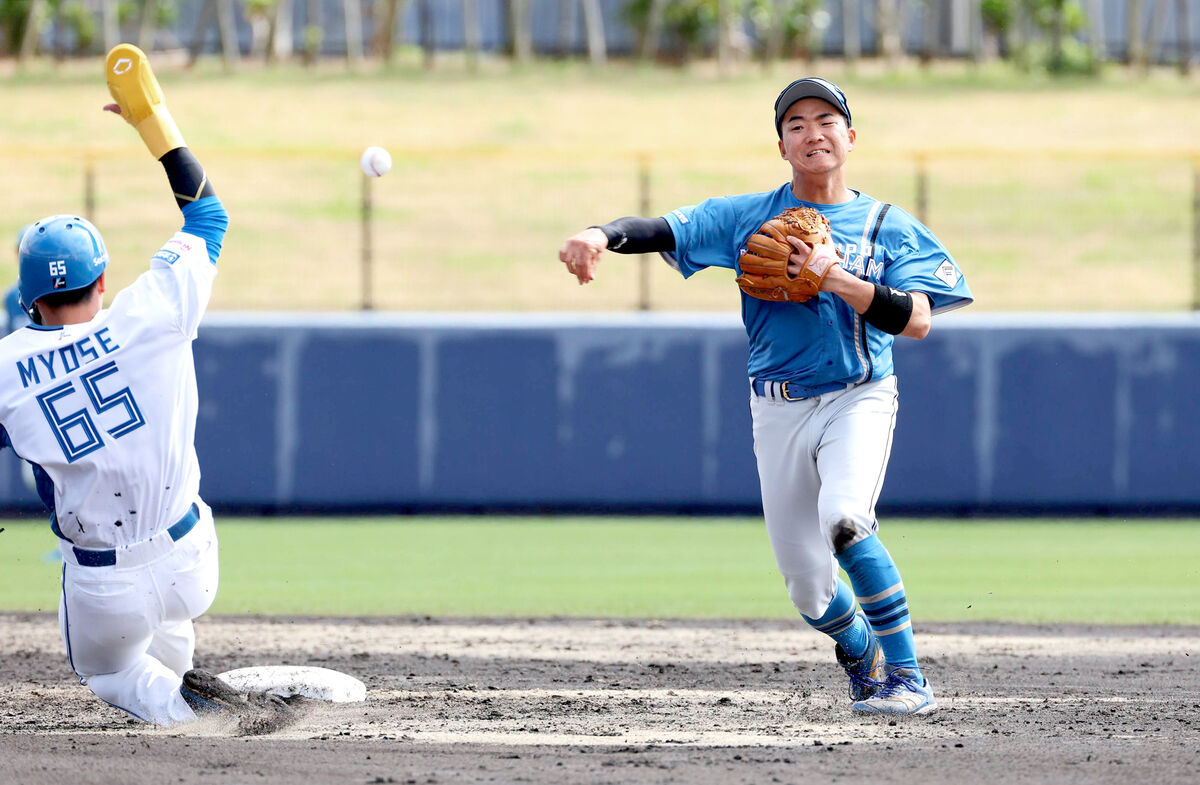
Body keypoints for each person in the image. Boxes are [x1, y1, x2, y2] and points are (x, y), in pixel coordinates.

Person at [558, 77, 973, 716]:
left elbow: (917, 319)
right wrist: (598, 234)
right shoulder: (748, 216)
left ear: (851, 137)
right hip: (775, 408)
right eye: (797, 124)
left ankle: (908, 678)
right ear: (781, 146)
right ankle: (858, 645)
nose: (813, 132)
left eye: (827, 120)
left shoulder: (888, 225)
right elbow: (661, 228)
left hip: (856, 397)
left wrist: (834, 276)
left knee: (845, 519)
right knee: (810, 589)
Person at [0, 44, 287, 729]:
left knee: (110, 670)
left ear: (28, 299)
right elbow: (209, 218)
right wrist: (152, 125)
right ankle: (189, 683)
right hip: (192, 557)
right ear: (102, 281)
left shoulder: (7, 365)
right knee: (167, 622)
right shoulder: (150, 307)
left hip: (105, 583)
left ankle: (197, 710)